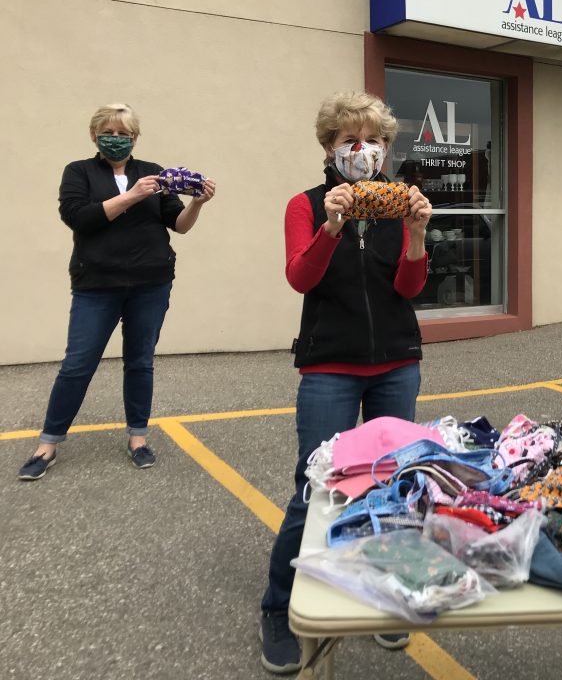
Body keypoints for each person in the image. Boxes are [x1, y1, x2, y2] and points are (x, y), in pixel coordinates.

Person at [259, 91, 432, 674]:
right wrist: (332, 225)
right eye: (350, 141)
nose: (364, 151)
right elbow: (300, 278)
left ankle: (383, 597)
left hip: (395, 362)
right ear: (330, 148)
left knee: (393, 485)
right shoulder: (305, 205)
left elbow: (409, 289)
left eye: (375, 140)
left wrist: (416, 234)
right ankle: (279, 608)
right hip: (329, 363)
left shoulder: (399, 204)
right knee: (315, 489)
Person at [17, 103, 216, 481]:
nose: (117, 139)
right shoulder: (79, 172)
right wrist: (133, 196)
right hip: (97, 285)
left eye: (125, 134)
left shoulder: (153, 172)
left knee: (140, 361)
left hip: (151, 283)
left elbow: (179, 225)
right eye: (110, 132)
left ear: (135, 139)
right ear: (95, 135)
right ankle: (48, 444)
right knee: (77, 364)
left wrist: (198, 203)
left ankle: (138, 438)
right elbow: (79, 217)